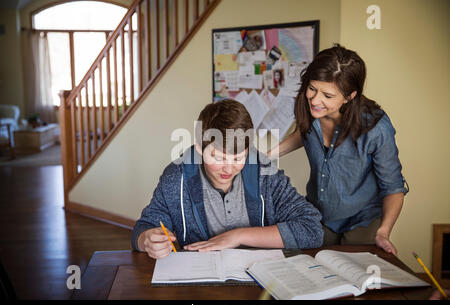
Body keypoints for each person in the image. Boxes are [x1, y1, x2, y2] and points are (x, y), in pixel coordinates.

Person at [132, 99, 323, 259]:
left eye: (239, 158)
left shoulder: (264, 172)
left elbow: (311, 229)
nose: (229, 168)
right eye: (219, 158)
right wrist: (147, 239)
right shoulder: (176, 176)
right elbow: (145, 227)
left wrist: (238, 236)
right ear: (200, 148)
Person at [269, 44, 408, 255]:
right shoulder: (309, 110)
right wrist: (269, 155)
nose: (315, 100)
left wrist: (383, 232)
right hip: (320, 213)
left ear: (350, 96)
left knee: (352, 273)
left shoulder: (377, 127)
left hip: (363, 218)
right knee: (309, 265)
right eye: (312, 89)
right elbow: (305, 133)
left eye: (327, 95)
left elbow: (394, 188)